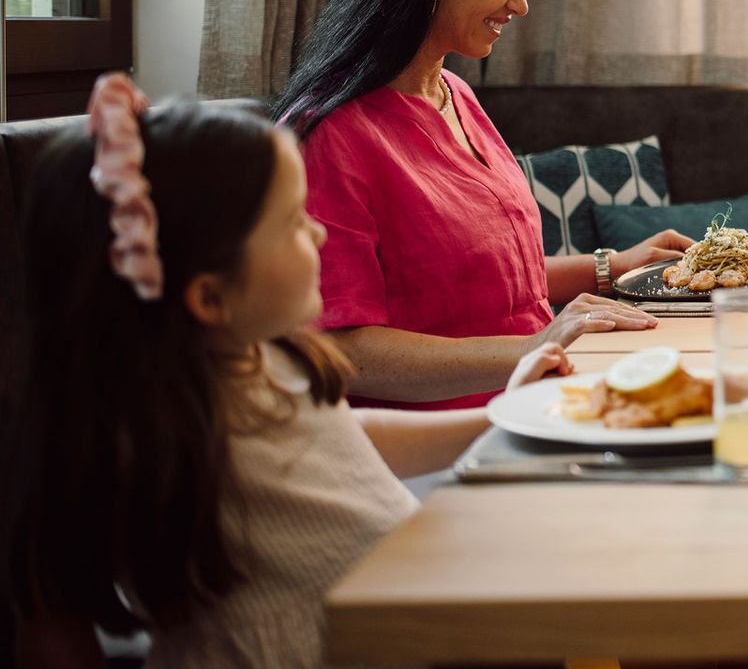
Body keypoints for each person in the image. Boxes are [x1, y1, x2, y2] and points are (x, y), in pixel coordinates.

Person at [1, 76, 569, 668]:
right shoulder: (150, 435)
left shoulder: (265, 357)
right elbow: (53, 626)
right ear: (210, 297)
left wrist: (502, 418)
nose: (319, 233)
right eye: (295, 222)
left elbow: (340, 441)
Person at [279, 0, 688, 408]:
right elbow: (344, 352)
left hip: (534, 400)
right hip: (438, 445)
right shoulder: (329, 135)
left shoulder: (457, 95)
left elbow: (478, 282)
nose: (520, 5)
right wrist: (535, 347)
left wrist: (613, 266)